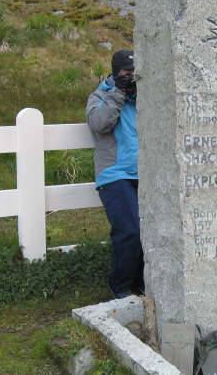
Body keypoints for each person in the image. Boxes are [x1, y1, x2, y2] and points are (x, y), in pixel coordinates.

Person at [86, 50, 143, 299]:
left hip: (146, 175)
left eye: (135, 73)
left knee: (150, 232)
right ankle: (120, 286)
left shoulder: (142, 97)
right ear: (116, 72)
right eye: (126, 73)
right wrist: (118, 93)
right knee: (130, 231)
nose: (131, 78)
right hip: (115, 175)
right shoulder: (100, 96)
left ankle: (141, 283)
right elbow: (100, 124)